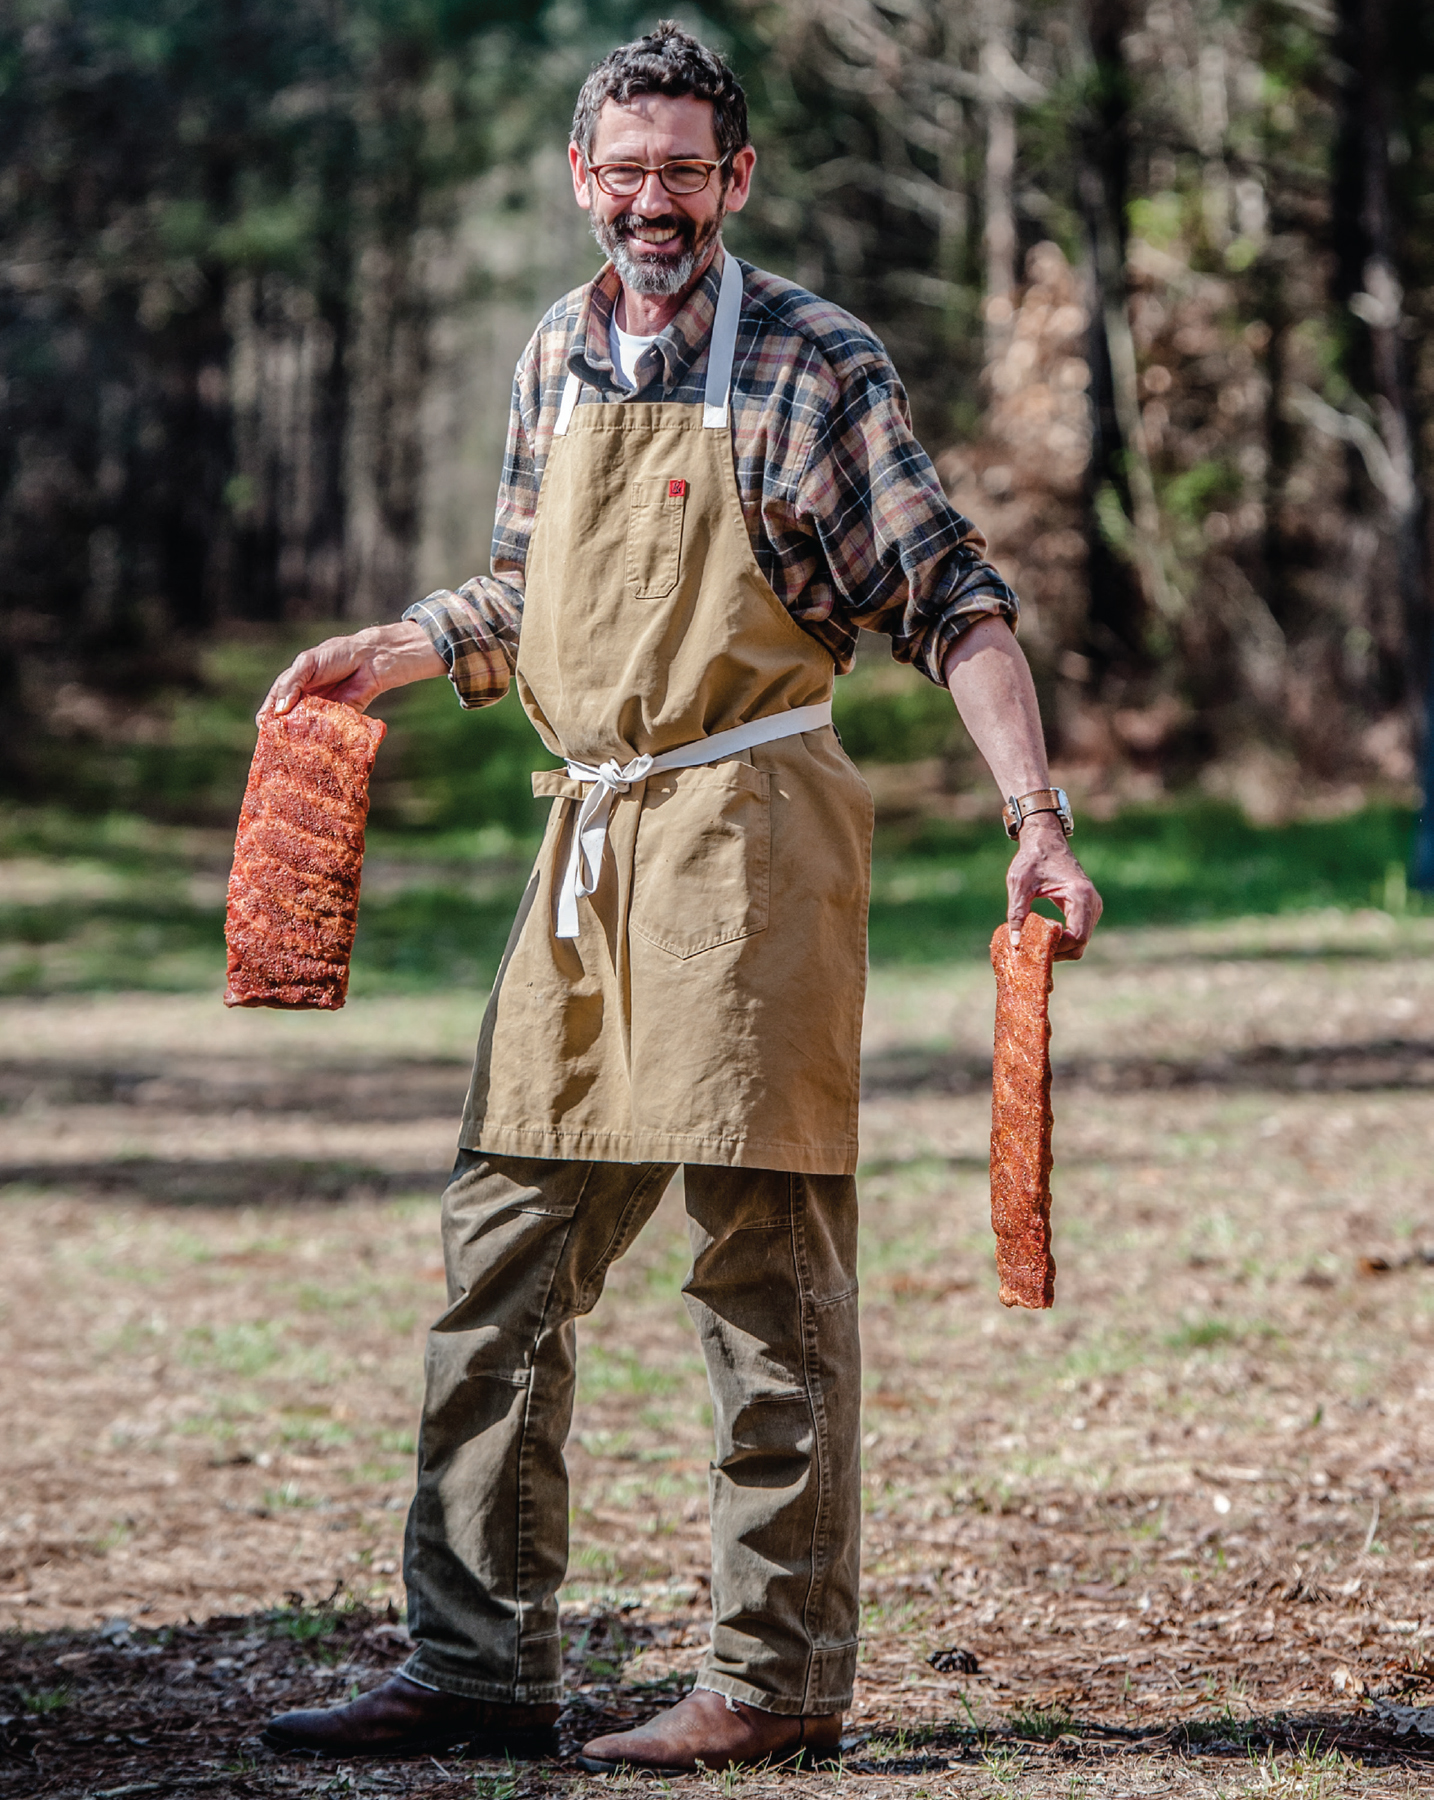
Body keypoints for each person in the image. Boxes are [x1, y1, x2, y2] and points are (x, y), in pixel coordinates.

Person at [259, 20, 1101, 1774]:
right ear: (583, 179)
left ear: (733, 180)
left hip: (749, 843)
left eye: (682, 172)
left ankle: (772, 1680)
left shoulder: (813, 360)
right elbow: (522, 593)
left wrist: (1034, 810)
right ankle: (475, 1663)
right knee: (500, 1253)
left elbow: (949, 597)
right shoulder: (553, 352)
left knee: (762, 1273)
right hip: (585, 848)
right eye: (621, 170)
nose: (652, 200)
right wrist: (396, 650)